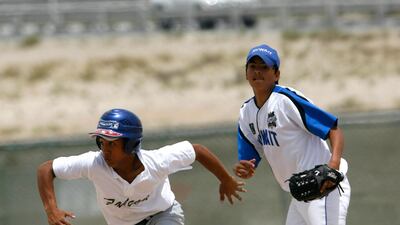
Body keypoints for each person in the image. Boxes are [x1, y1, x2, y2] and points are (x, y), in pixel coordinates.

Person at [37, 108, 245, 225]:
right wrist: (51, 209)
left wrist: (226, 180)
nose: (105, 149)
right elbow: (46, 169)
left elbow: (197, 150)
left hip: (164, 214)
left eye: (112, 144)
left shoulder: (157, 161)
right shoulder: (94, 164)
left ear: (130, 144)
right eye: (101, 142)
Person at [234, 44, 351, 225]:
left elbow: (333, 129)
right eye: (253, 66)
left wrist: (333, 167)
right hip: (299, 192)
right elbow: (249, 160)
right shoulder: (246, 112)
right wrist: (246, 169)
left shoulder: (286, 100)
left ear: (277, 75)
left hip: (324, 187)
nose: (258, 71)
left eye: (264, 67)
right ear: (246, 72)